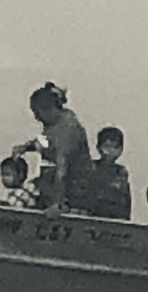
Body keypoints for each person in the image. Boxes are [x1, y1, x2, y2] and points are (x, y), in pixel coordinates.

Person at [7, 82, 96, 214]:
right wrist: (26, 147)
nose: (36, 117)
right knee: (18, 197)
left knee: (20, 200)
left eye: (37, 112)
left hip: (72, 193)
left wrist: (57, 204)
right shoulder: (52, 125)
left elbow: (62, 171)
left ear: (48, 109)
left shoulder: (66, 130)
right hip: (48, 184)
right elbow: (45, 142)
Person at [80, 126, 132, 219]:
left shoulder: (121, 172)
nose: (111, 151)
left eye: (115, 147)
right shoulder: (91, 168)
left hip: (115, 219)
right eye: (107, 146)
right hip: (93, 216)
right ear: (99, 147)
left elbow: (126, 201)